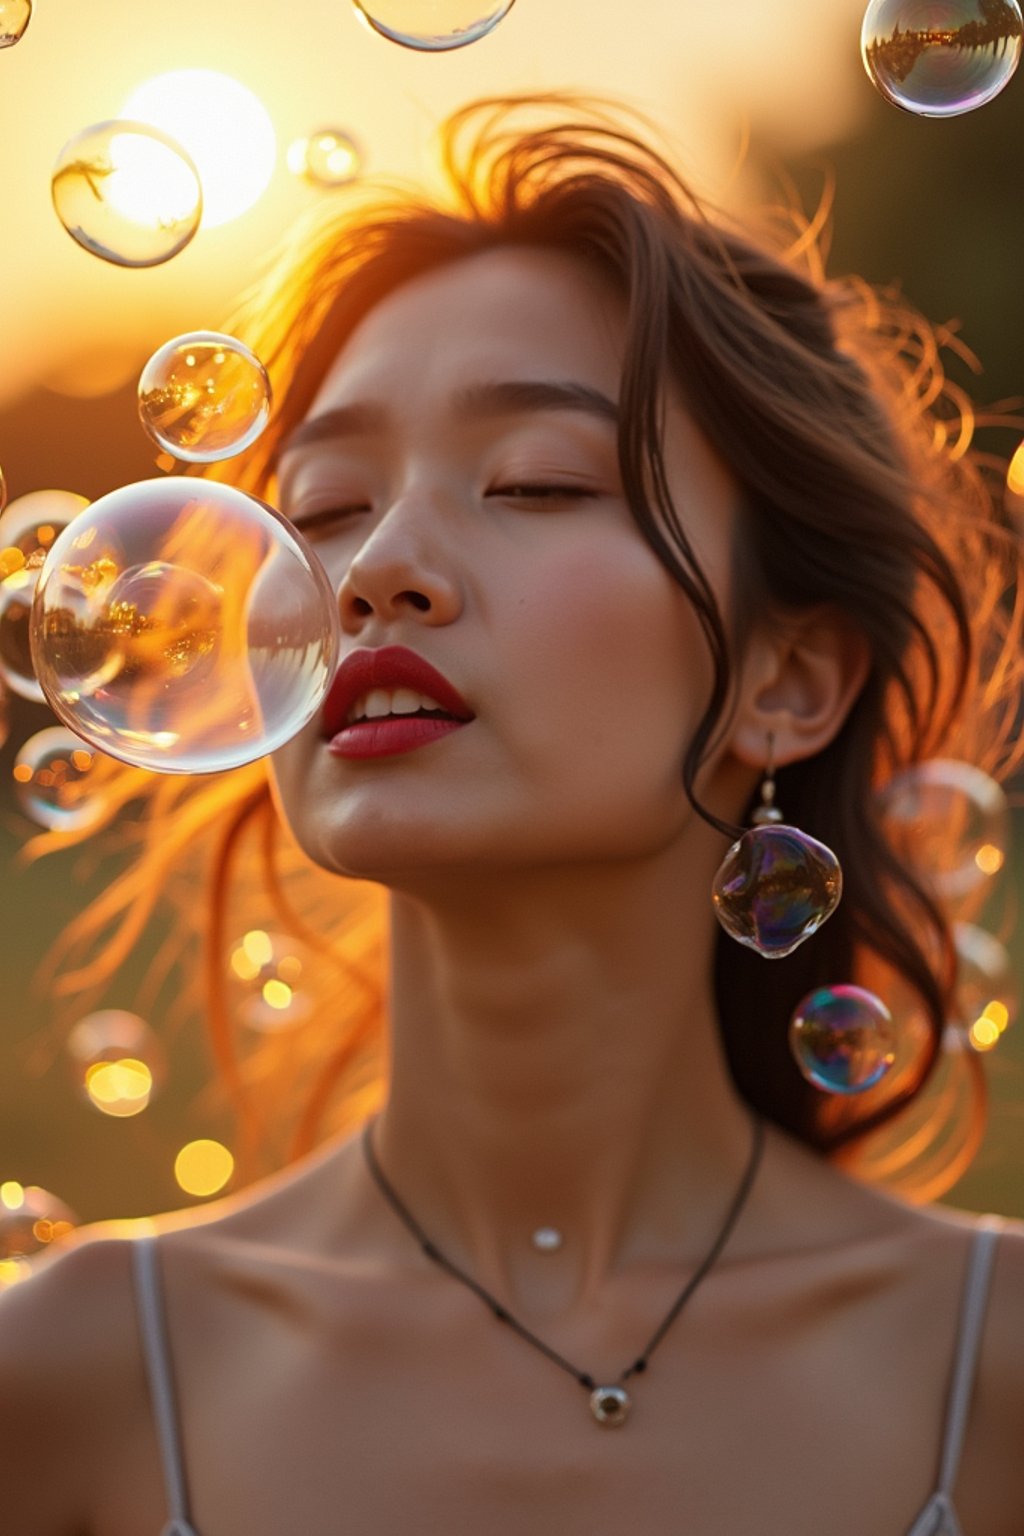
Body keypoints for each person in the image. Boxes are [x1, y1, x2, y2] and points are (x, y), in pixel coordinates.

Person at [2, 94, 1023, 1536]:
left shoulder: (996, 1377)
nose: (378, 572)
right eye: (328, 504)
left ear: (787, 681)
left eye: (536, 483)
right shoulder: (67, 1375)